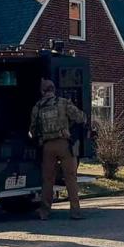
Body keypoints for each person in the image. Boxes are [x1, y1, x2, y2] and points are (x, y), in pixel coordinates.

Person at [29, 79, 87, 219]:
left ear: (42, 91)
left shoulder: (38, 106)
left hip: (47, 147)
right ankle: (75, 211)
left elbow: (33, 130)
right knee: (70, 178)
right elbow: (81, 117)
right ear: (54, 89)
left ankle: (45, 211)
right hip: (65, 145)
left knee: (48, 180)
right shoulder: (63, 102)